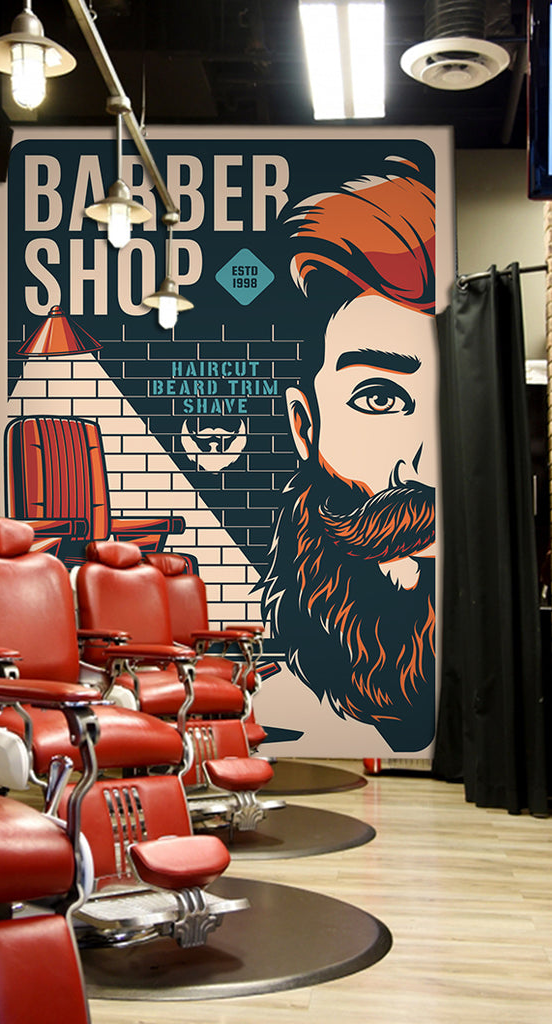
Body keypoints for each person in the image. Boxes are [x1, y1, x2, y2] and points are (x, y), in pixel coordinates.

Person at [261, 157, 437, 751]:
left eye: (446, 407)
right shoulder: (275, 714)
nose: (420, 467)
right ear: (304, 426)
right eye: (380, 397)